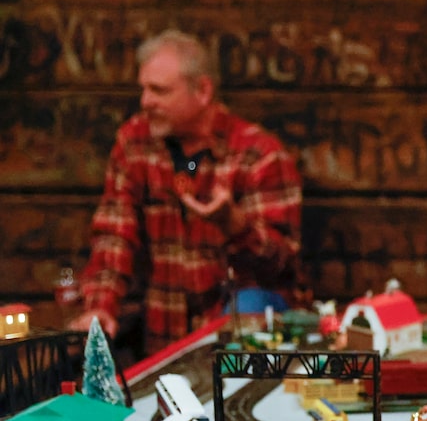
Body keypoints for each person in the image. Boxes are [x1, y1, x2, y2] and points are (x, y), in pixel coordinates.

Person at [71, 29, 305, 357]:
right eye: (144, 89)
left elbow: (282, 266)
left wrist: (236, 226)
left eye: (159, 91)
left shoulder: (259, 154)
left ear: (203, 91)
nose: (145, 101)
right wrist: (100, 308)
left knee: (252, 302)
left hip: (241, 343)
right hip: (162, 334)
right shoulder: (135, 142)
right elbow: (114, 235)